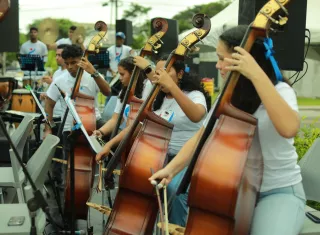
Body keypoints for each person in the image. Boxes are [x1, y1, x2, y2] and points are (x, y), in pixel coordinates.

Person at [150, 25, 306, 235]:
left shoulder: (280, 90)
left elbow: (289, 128)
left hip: (277, 192)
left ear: (245, 60)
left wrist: (256, 74)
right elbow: (201, 136)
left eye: (222, 58)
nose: (218, 65)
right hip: (234, 193)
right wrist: (171, 170)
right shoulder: (228, 97)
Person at [96, 54, 211, 227]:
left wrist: (171, 87)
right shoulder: (157, 97)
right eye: (158, 72)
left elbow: (196, 115)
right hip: (159, 157)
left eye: (166, 72)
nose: (160, 76)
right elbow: (136, 125)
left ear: (180, 74)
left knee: (173, 190)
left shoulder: (194, 95)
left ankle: (176, 227)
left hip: (187, 161)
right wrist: (111, 144)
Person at [44, 44, 111, 185]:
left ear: (82, 60)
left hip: (93, 123)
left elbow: (107, 92)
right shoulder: (60, 80)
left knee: (116, 137)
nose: (70, 67)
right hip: (69, 127)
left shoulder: (92, 76)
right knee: (70, 167)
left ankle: (109, 177)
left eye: (73, 62)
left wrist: (94, 72)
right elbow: (49, 103)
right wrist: (48, 127)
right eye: (67, 63)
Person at [92, 56, 152, 140]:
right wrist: (101, 132)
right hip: (127, 136)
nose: (120, 78)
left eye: (122, 74)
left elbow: (139, 124)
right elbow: (115, 119)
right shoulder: (124, 91)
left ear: (133, 73)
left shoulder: (148, 87)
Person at [40, 44, 68, 117]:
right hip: (53, 112)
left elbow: (68, 93)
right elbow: (54, 94)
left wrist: (52, 83)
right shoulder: (57, 72)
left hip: (62, 114)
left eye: (59, 55)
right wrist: (45, 95)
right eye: (56, 55)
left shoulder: (70, 72)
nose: (56, 58)